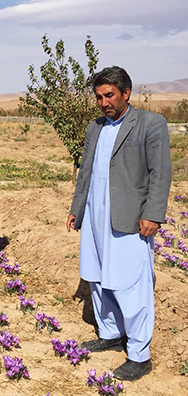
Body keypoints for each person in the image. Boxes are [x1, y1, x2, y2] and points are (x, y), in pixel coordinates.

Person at [67, 66, 171, 381]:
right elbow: (85, 172)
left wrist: (153, 214)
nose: (103, 102)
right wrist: (76, 208)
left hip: (130, 219)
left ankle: (140, 355)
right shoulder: (94, 128)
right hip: (96, 218)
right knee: (97, 278)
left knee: (131, 284)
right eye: (98, 97)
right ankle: (110, 333)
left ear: (126, 93)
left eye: (109, 95)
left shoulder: (151, 124)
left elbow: (161, 172)